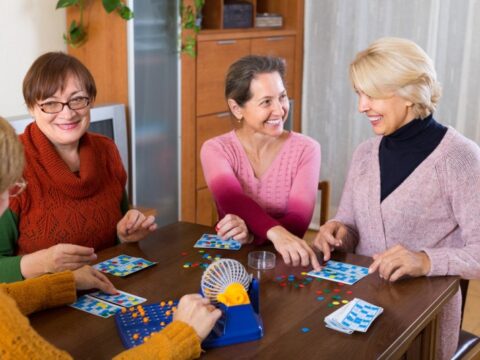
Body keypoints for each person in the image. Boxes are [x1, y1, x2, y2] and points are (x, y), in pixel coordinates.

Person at [0, 116, 221, 359]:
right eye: (7, 190)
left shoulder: (104, 151)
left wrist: (61, 284)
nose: (8, 201)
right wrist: (183, 335)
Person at [313, 37, 480, 360]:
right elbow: (349, 223)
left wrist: (425, 260)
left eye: (372, 95)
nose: (362, 106)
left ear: (409, 93)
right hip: (357, 306)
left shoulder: (461, 159)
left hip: (422, 323)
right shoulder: (365, 153)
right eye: (359, 94)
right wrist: (336, 232)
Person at [0, 52, 157, 283]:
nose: (68, 113)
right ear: (32, 107)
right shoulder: (11, 162)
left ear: (90, 100)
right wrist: (42, 263)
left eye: (77, 99)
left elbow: (116, 232)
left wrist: (125, 234)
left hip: (106, 290)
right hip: (42, 307)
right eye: (51, 103)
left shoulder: (107, 150)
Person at [201, 55, 321, 270]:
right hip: (232, 264)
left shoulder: (307, 149)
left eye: (282, 97)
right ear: (237, 108)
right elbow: (233, 201)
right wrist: (275, 233)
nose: (279, 110)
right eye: (266, 102)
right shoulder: (215, 149)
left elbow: (298, 222)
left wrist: (251, 236)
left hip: (285, 262)